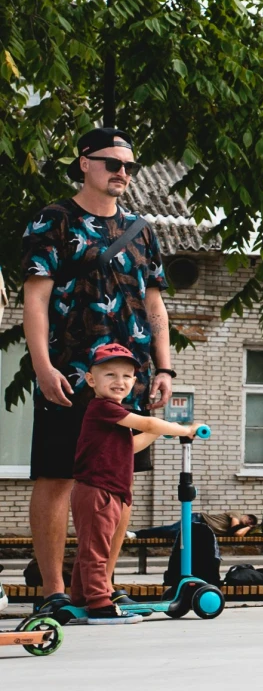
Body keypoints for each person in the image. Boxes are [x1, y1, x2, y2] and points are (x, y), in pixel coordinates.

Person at [20, 127, 176, 621]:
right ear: (84, 162)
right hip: (70, 372)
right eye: (112, 163)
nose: (122, 173)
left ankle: (99, 587)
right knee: (56, 475)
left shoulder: (142, 229)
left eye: (128, 165)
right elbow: (36, 300)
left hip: (129, 377)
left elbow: (156, 305)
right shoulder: (54, 220)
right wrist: (43, 365)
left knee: (118, 482)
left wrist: (165, 369)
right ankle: (52, 590)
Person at [66, 343, 199, 620]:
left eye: (126, 376)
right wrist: (182, 429)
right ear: (91, 379)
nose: (120, 381)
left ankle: (81, 597)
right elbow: (148, 425)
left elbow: (132, 444)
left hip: (109, 491)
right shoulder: (102, 407)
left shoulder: (114, 414)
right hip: (97, 490)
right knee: (96, 551)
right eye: (110, 375)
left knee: (92, 548)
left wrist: (156, 433)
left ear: (135, 381)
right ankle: (101, 605)